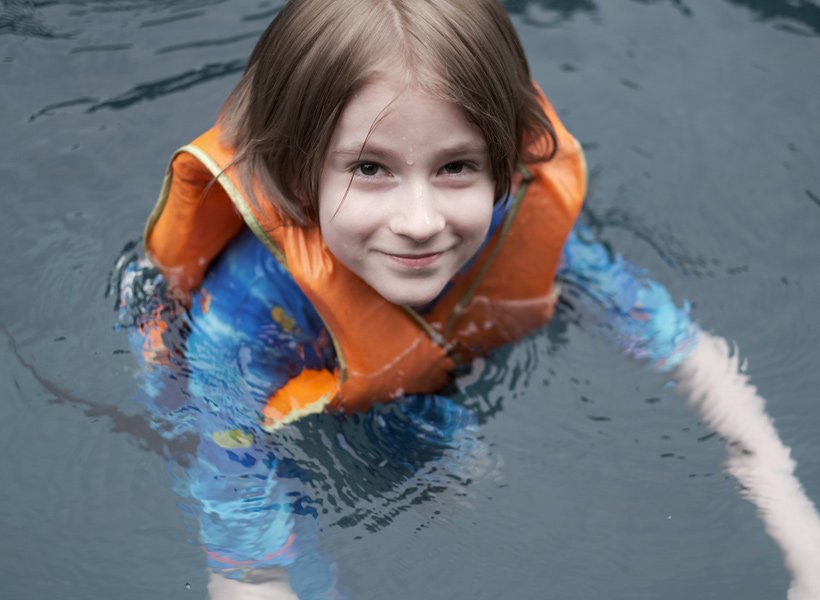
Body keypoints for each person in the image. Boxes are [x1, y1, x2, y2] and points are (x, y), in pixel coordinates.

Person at [119, 0, 820, 598]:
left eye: (456, 167)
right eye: (370, 168)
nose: (421, 221)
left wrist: (791, 512)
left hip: (413, 377)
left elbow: (685, 351)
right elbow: (245, 553)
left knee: (461, 465)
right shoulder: (241, 321)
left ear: (506, 168)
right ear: (295, 177)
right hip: (285, 403)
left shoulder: (513, 235)